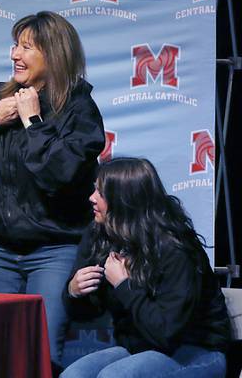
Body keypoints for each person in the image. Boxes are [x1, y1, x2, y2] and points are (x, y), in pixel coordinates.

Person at [0, 11, 105, 370]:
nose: (15, 54)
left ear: (54, 53)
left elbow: (59, 175)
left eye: (27, 47)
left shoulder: (79, 110)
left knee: (42, 355)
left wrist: (32, 122)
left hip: (55, 250)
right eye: (15, 45)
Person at [62, 157, 231, 378]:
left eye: (100, 193)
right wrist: (74, 291)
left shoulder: (174, 248)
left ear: (123, 200)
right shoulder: (100, 237)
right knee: (73, 375)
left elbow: (166, 333)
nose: (91, 198)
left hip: (197, 350)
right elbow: (87, 312)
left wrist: (124, 284)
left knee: (115, 376)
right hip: (137, 348)